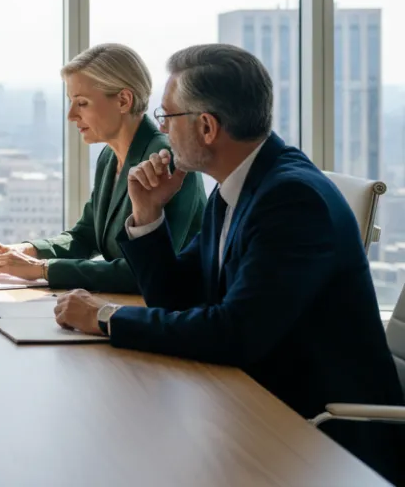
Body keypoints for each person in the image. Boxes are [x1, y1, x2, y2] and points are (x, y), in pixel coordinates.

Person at [52, 44, 404, 482]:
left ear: (206, 127)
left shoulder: (290, 200)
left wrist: (106, 318)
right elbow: (179, 296)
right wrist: (147, 215)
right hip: (259, 400)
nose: (160, 129)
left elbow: (234, 333)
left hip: (323, 435)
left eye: (166, 117)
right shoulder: (235, 187)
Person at [0, 44, 204, 292]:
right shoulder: (109, 157)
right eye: (71, 102)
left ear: (124, 101)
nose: (71, 115)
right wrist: (24, 250)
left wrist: (43, 269)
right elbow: (85, 236)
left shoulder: (164, 159)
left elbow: (146, 270)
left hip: (168, 311)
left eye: (81, 103)